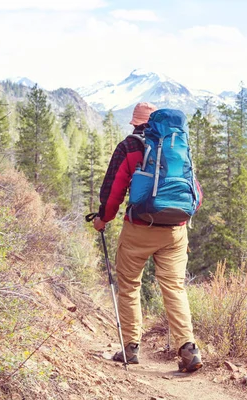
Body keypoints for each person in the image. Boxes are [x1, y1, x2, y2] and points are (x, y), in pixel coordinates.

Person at [93, 102, 203, 373]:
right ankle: (188, 349)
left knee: (130, 285)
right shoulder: (177, 145)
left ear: (135, 123)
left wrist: (103, 219)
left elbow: (114, 188)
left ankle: (130, 347)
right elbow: (194, 191)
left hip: (140, 228)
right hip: (176, 230)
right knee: (175, 287)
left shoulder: (130, 147)